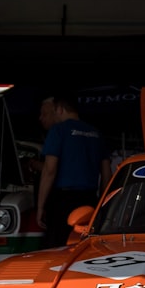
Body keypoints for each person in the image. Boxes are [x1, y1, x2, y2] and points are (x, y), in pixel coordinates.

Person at [37, 94, 111, 247]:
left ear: (59, 109)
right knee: (85, 245)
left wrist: (40, 206)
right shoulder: (96, 133)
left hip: (63, 202)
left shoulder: (58, 131)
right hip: (90, 200)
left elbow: (49, 170)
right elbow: (106, 174)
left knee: (58, 246)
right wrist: (102, 205)